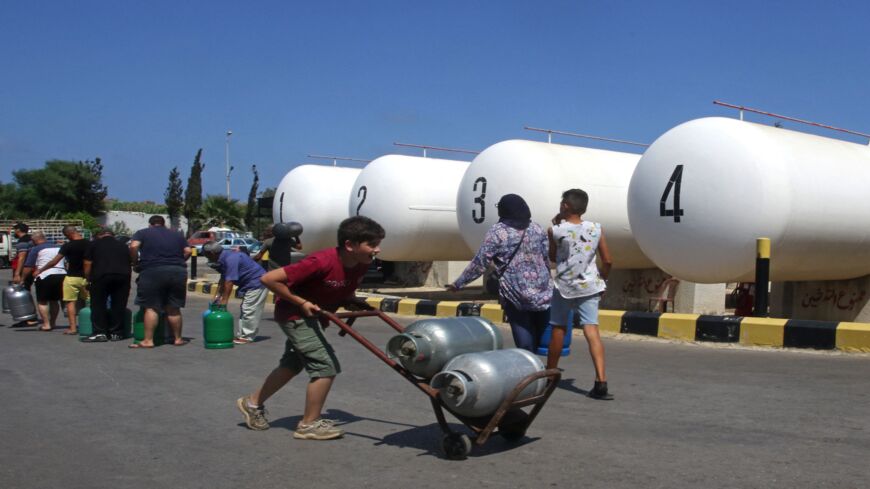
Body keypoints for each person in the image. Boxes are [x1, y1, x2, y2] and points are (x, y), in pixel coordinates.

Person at [236, 216, 384, 440]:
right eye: (371, 245)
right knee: (325, 366)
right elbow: (269, 279)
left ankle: (252, 403)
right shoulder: (320, 261)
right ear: (350, 245)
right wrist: (302, 303)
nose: (377, 250)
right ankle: (309, 424)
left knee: (292, 364)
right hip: (295, 316)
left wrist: (351, 300)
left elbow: (339, 287)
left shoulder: (360, 264)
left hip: (316, 319)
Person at [447, 194, 552, 352]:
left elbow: (480, 263)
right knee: (540, 332)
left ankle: (530, 365)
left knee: (522, 331)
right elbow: (546, 258)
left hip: (516, 291)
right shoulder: (537, 228)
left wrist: (459, 283)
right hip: (542, 289)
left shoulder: (497, 232)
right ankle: (540, 366)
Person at [547, 188, 614, 400]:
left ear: (565, 206)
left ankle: (550, 374)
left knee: (558, 327)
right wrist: (602, 279)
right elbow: (608, 260)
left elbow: (552, 257)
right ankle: (601, 381)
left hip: (565, 287)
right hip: (590, 286)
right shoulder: (596, 228)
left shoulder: (555, 231)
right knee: (591, 330)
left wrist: (558, 226)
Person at [128, 215, 191, 348]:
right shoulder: (177, 235)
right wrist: (179, 261)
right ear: (164, 224)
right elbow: (188, 250)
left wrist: (135, 263)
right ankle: (178, 339)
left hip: (152, 271)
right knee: (174, 307)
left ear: (150, 224)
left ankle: (148, 340)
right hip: (177, 271)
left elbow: (133, 247)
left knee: (151, 307)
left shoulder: (143, 232)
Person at [202, 241, 268, 344]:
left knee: (249, 309)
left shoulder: (231, 259)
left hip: (256, 282)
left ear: (212, 253)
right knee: (245, 308)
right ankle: (243, 334)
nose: (207, 258)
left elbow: (229, 282)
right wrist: (217, 296)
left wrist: (224, 301)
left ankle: (247, 336)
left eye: (206, 255)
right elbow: (223, 278)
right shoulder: (224, 257)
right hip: (249, 284)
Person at [34, 225, 90, 335]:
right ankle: (91, 325)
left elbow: (54, 262)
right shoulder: (90, 244)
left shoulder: (67, 246)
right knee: (90, 302)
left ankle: (73, 328)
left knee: (70, 303)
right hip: (86, 277)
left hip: (72, 277)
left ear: (68, 234)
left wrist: (41, 270)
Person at [82, 227, 133, 342]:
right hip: (122, 277)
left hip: (101, 276)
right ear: (113, 235)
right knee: (119, 304)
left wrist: (87, 278)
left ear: (100, 235)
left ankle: (100, 332)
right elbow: (130, 260)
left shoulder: (94, 244)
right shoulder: (123, 245)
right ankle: (117, 333)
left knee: (98, 304)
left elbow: (87, 263)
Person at [21, 231, 66, 331]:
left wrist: (22, 279)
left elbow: (28, 266)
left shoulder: (36, 249)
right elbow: (66, 262)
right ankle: (53, 323)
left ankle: (46, 324)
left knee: (42, 301)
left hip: (44, 276)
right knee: (54, 301)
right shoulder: (58, 247)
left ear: (34, 240)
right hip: (61, 275)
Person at [10, 222, 38, 327]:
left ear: (18, 230)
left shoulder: (22, 241)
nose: (14, 232)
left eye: (15, 230)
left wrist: (17, 274)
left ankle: (29, 318)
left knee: (23, 293)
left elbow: (22, 257)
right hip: (32, 268)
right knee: (26, 292)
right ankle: (30, 316)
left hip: (25, 270)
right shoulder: (31, 239)